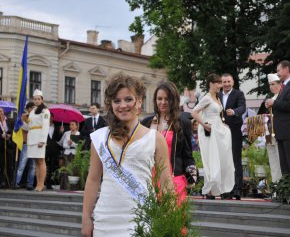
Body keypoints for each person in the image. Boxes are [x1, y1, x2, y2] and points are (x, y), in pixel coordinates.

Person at [81, 74, 174, 237]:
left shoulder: (155, 138)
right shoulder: (100, 137)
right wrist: (86, 218)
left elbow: (166, 182)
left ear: (139, 101)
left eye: (128, 99)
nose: (122, 105)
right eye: (117, 101)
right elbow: (93, 179)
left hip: (141, 219)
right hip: (105, 219)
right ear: (111, 104)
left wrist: (172, 217)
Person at [141, 81, 196, 203]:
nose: (163, 102)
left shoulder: (183, 123)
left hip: (174, 179)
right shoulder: (146, 123)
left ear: (174, 100)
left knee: (173, 220)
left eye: (167, 99)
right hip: (149, 180)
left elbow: (187, 155)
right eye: (159, 98)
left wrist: (192, 178)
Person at [191, 74, 235, 199]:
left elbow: (218, 116)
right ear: (211, 83)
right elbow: (194, 112)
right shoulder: (207, 98)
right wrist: (204, 124)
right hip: (209, 132)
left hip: (218, 130)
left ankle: (216, 188)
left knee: (220, 159)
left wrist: (223, 125)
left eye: (221, 83)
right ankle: (210, 189)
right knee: (211, 160)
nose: (220, 86)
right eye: (218, 83)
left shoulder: (217, 98)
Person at [265, 60, 290, 175]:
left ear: (286, 69)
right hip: (281, 131)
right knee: (284, 166)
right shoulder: (284, 86)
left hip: (288, 130)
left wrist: (274, 103)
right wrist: (271, 105)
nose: (277, 73)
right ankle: (286, 189)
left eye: (278, 70)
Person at [219, 73, 246, 200]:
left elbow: (242, 107)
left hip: (234, 130)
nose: (226, 84)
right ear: (221, 83)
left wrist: (234, 112)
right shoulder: (217, 95)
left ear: (232, 82)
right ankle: (226, 189)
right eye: (224, 82)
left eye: (228, 81)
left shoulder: (238, 94)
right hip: (220, 132)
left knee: (236, 159)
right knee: (224, 160)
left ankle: (237, 189)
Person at [27, 89, 51, 192]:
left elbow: (45, 126)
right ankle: (38, 183)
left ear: (42, 99)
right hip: (32, 138)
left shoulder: (45, 111)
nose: (36, 101)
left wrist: (42, 140)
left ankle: (41, 184)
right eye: (35, 99)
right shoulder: (32, 111)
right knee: (36, 162)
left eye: (38, 99)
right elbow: (30, 126)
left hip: (39, 139)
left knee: (41, 161)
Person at [265, 73, 282, 183]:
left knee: (281, 161)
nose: (271, 86)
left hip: (279, 132)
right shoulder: (270, 99)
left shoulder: (281, 97)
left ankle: (283, 186)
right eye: (270, 84)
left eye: (273, 84)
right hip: (270, 133)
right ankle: (276, 186)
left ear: (280, 84)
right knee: (273, 162)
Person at [15, 102, 36, 190]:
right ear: (28, 109)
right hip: (26, 143)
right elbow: (26, 127)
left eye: (34, 108)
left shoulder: (36, 118)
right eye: (32, 108)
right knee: (22, 165)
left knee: (32, 166)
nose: (34, 110)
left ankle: (30, 184)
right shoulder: (23, 117)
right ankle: (16, 182)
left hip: (34, 144)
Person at [45, 113, 63, 189]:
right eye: (48, 117)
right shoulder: (44, 126)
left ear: (53, 118)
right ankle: (42, 181)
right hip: (45, 148)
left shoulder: (57, 127)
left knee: (52, 167)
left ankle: (50, 183)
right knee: (44, 166)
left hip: (54, 149)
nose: (50, 118)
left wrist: (61, 132)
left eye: (51, 117)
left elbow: (59, 140)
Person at [0, 107, 15, 188]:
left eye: (1, 111)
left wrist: (10, 135)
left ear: (4, 112)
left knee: (10, 164)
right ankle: (2, 181)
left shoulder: (10, 120)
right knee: (2, 165)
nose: (0, 113)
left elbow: (14, 131)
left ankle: (10, 182)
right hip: (1, 146)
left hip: (9, 146)